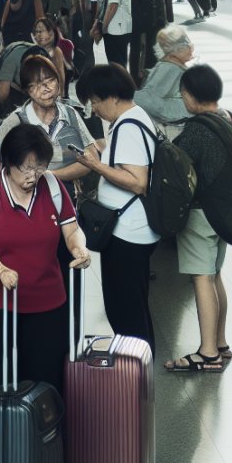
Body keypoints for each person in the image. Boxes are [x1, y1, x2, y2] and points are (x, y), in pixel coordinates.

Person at [0, 124, 88, 462]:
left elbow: (71, 229)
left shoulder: (53, 186)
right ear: (8, 162)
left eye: (40, 166)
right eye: (27, 167)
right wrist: (1, 269)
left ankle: (44, 453)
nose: (34, 174)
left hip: (49, 303)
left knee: (48, 382)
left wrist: (80, 249)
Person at [73, 63, 161, 351]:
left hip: (128, 234)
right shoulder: (132, 119)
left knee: (126, 311)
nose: (94, 109)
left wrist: (95, 166)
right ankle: (140, 371)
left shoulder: (129, 127)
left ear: (111, 96)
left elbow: (138, 182)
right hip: (131, 232)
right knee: (132, 307)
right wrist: (102, 147)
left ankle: (136, 374)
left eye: (95, 101)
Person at [164, 64, 232, 374]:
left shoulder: (197, 129)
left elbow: (177, 165)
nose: (182, 99)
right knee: (215, 275)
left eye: (183, 94)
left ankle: (208, 353)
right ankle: (220, 343)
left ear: (194, 97)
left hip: (202, 215)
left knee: (201, 278)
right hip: (226, 214)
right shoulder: (231, 119)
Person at [0, 55, 97, 200]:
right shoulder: (16, 122)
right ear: (27, 90)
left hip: (67, 199)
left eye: (50, 81)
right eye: (36, 85)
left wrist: (50, 176)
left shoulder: (70, 114)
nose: (46, 89)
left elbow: (92, 160)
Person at [134, 25, 195, 134]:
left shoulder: (173, 66)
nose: (191, 49)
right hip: (175, 128)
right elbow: (148, 100)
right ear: (175, 50)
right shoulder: (170, 69)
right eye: (187, 46)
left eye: (190, 45)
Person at [91, 0, 134, 72]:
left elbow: (112, 7)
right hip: (123, 29)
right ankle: (123, 87)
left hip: (115, 31)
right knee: (121, 62)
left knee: (115, 64)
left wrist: (103, 27)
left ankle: (120, 87)